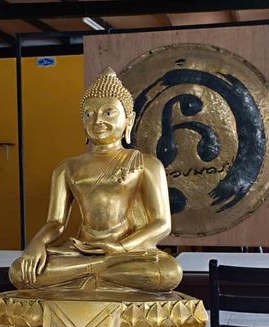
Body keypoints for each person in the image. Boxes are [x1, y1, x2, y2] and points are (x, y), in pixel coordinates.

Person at [10, 67, 182, 293]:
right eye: (89, 114)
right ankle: (98, 270)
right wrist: (36, 243)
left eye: (109, 113)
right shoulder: (66, 168)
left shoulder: (145, 163)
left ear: (129, 120)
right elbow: (56, 222)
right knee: (19, 271)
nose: (98, 121)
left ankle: (89, 273)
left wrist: (120, 248)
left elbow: (161, 223)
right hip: (82, 249)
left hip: (127, 252)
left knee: (169, 272)